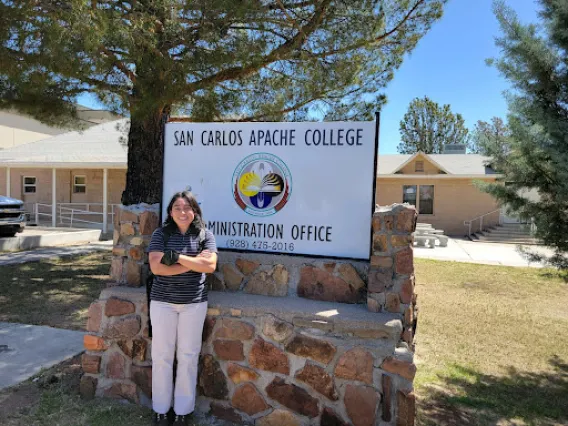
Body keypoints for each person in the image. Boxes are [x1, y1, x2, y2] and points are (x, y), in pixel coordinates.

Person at [148, 191, 217, 426]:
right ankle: (160, 409)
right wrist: (194, 262)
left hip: (193, 304)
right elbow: (157, 268)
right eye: (177, 207)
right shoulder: (160, 234)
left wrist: (176, 257)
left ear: (195, 211)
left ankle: (182, 411)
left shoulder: (205, 235)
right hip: (162, 303)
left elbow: (210, 266)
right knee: (162, 357)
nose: (182, 211)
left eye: (187, 207)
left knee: (188, 356)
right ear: (170, 212)